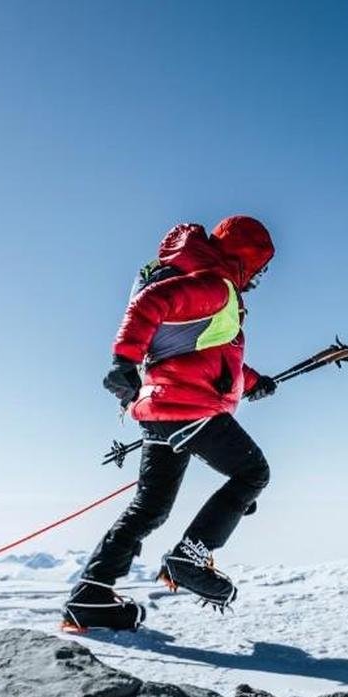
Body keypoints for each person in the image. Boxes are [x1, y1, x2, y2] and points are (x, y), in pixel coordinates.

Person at [62, 215, 276, 632]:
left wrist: (252, 381)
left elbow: (207, 354)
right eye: (259, 267)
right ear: (246, 257)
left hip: (161, 410)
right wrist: (122, 360)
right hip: (189, 407)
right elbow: (153, 303)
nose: (258, 278)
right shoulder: (215, 286)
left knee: (150, 507)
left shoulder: (210, 285)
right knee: (252, 472)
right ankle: (189, 558)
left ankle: (89, 596)